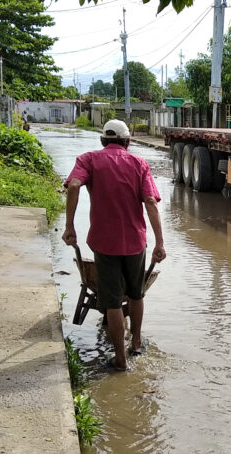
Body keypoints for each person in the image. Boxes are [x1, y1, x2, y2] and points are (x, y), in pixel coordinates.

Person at [62, 119, 166, 371]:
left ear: (102, 141)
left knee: (111, 302)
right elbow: (150, 202)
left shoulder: (88, 159)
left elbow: (74, 185)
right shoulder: (139, 163)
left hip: (104, 243)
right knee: (136, 294)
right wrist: (160, 242)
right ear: (128, 142)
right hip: (135, 241)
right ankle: (137, 342)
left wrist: (69, 226)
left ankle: (120, 359)